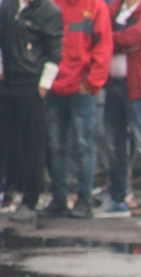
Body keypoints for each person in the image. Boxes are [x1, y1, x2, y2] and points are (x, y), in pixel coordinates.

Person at [46, 0, 112, 219]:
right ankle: (59, 199)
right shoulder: (53, 5)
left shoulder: (95, 7)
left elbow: (103, 46)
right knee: (57, 146)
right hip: (55, 88)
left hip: (80, 88)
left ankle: (83, 200)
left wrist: (92, 83)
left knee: (84, 146)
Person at [0, 0, 63, 224]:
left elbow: (55, 52)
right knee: (4, 141)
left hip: (31, 84)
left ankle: (30, 200)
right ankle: (7, 192)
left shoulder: (49, 12)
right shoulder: (7, 7)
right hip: (8, 82)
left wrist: (43, 85)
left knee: (33, 144)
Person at [101, 0, 141, 220]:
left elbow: (135, 37)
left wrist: (109, 41)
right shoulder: (114, 7)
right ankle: (118, 200)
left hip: (138, 87)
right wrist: (116, 41)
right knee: (115, 147)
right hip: (113, 85)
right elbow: (98, 32)